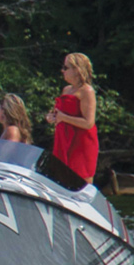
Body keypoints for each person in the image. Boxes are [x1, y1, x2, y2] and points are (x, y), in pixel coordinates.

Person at [46, 53, 99, 185]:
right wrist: (51, 117)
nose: (62, 71)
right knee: (60, 178)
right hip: (63, 138)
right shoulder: (66, 90)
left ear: (77, 70)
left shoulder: (87, 91)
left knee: (81, 180)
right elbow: (59, 113)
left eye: (66, 67)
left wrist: (63, 118)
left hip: (81, 142)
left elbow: (88, 122)